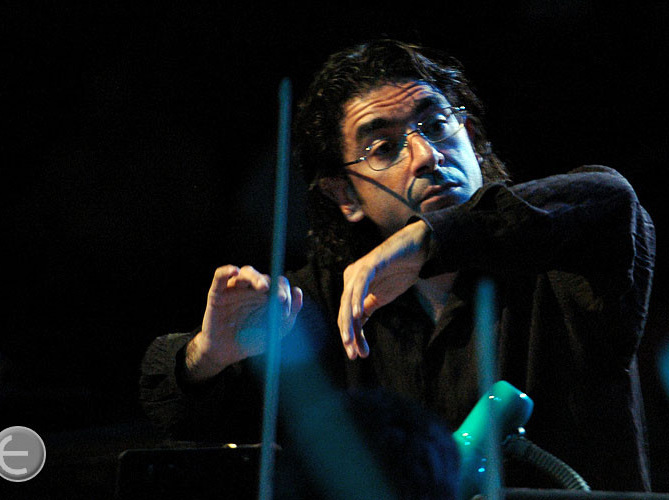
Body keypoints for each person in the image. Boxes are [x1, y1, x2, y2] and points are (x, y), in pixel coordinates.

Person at [139, 39, 655, 493]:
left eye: (437, 124)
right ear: (345, 196)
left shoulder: (559, 257)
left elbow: (613, 199)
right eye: (384, 147)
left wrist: (429, 238)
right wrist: (208, 356)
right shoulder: (317, 303)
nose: (426, 155)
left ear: (471, 138)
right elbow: (176, 416)